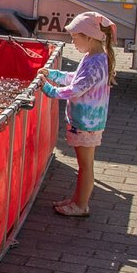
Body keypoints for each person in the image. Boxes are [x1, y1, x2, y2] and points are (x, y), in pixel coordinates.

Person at [42, 12, 116, 218]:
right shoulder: (95, 57)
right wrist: (54, 75)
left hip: (86, 123)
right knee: (85, 165)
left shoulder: (94, 62)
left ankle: (81, 205)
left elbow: (76, 89)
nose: (72, 42)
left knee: (85, 166)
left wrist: (49, 89)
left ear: (89, 37)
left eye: (75, 37)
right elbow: (76, 78)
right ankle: (77, 200)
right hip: (88, 122)